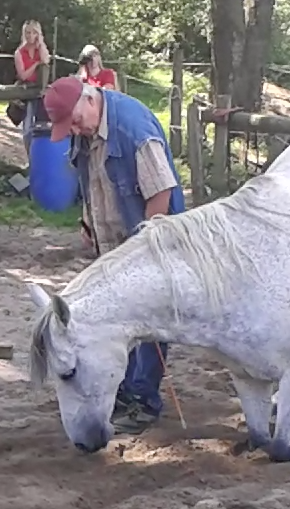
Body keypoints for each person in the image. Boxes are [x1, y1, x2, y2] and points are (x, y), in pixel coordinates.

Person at [42, 76, 186, 435]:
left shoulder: (133, 129)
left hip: (148, 240)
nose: (75, 130)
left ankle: (143, 400)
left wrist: (145, 247)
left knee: (148, 318)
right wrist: (88, 219)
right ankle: (123, 389)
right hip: (113, 243)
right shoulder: (86, 129)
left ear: (90, 100)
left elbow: (161, 191)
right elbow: (91, 178)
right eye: (69, 127)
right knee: (120, 317)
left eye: (75, 121)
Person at [13, 20, 50, 154]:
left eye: (34, 33)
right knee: (27, 126)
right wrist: (35, 65)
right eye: (28, 32)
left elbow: (45, 61)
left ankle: (40, 155)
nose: (30, 36)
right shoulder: (19, 52)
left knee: (42, 124)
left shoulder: (40, 50)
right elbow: (23, 75)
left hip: (40, 90)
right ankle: (30, 155)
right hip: (26, 90)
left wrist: (41, 43)